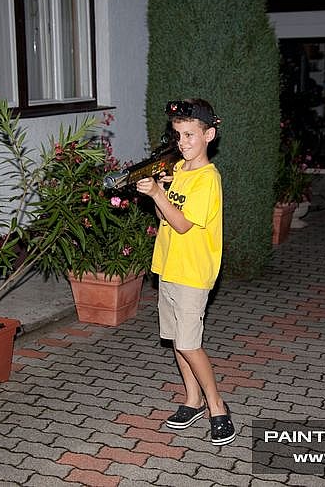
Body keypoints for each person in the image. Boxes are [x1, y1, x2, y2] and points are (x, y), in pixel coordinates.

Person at [136, 98, 235, 446]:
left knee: (191, 344)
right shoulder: (179, 170)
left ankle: (217, 407)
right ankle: (193, 401)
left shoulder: (207, 179)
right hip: (169, 266)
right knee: (178, 340)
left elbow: (181, 225)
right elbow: (164, 216)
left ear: (209, 135)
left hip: (193, 272)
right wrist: (160, 192)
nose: (183, 142)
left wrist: (157, 193)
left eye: (190, 135)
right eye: (178, 135)